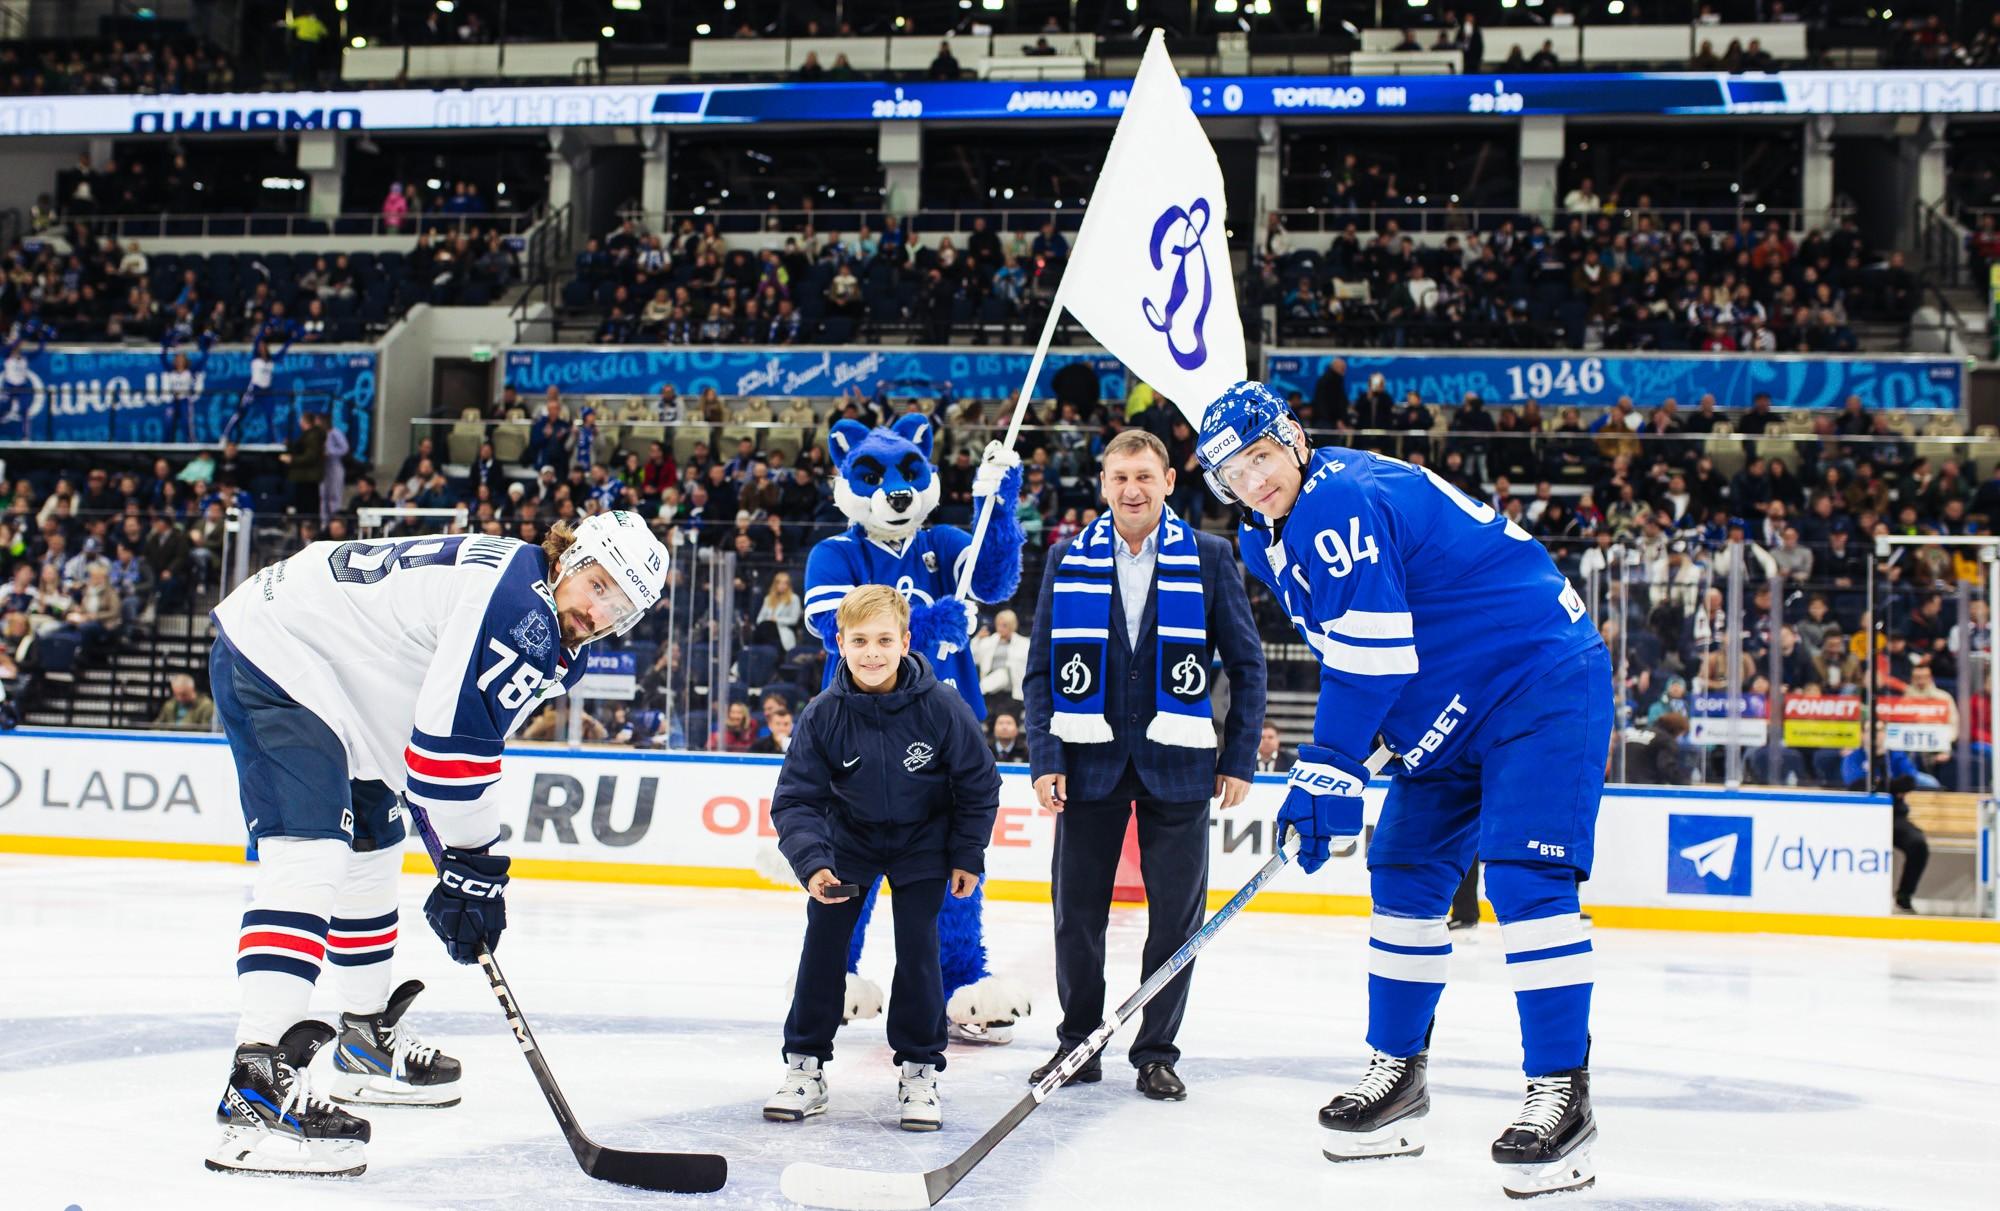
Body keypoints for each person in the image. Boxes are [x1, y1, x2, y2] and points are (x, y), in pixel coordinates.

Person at [1194, 381, 1609, 1199]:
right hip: (1446, 710)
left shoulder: (1339, 498)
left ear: (1294, 439)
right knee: (1405, 874)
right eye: (1233, 471)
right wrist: (1364, 743)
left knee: (1526, 878)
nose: (1253, 478)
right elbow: (1364, 633)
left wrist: (1329, 762)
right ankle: (1400, 1078)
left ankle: (1563, 1091)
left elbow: (1371, 654)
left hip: (1538, 679)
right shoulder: (1262, 537)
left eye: (1262, 455)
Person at [205, 511, 668, 1176]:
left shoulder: (532, 602)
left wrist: (468, 866)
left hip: (346, 687)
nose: (599, 609)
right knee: (309, 856)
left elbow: (443, 739)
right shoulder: (522, 610)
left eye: (618, 604)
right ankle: (253, 1096)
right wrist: (475, 868)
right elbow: (450, 764)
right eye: (597, 584)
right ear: (570, 557)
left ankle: (363, 1040)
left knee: (370, 852)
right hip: (282, 655)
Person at [1023, 429, 1266, 1102]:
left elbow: (1247, 666)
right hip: (1088, 761)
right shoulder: (1068, 557)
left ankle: (1155, 1050)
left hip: (1181, 765)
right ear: (1103, 485)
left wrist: (1239, 755)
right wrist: (1045, 756)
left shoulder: (1212, 558)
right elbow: (1041, 670)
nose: (1132, 488)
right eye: (1119, 476)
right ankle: (1077, 1043)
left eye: (1144, 476)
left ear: (1167, 481)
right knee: (1077, 914)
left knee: (1175, 922)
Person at [764, 586, 999, 1131]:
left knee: (919, 948)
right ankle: (804, 1067)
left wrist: (966, 852)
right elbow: (797, 799)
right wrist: (814, 862)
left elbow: (978, 782)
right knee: (825, 944)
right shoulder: (824, 714)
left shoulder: (942, 705)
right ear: (839, 644)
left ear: (906, 642)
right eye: (861, 641)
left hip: (925, 842)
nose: (873, 653)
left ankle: (919, 1071)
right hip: (849, 839)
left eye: (885, 640)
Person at [1842, 723, 1930, 913]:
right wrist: (1892, 787)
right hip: (1862, 819)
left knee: (1918, 844)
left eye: (1880, 730)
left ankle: (1904, 896)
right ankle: (1855, 896)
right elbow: (1856, 786)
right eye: (1870, 730)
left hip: (1893, 817)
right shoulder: (1854, 758)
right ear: (1862, 734)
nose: (1875, 734)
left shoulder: (1895, 757)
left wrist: (1876, 785)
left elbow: (1909, 781)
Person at [971, 607, 1029, 723]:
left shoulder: (1024, 644)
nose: (1000, 628)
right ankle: (981, 689)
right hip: (991, 693)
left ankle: (981, 689)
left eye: (1004, 625)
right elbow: (973, 657)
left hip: (1012, 692)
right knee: (990, 723)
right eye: (998, 625)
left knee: (1009, 723)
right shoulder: (988, 642)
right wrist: (977, 639)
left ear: (1012, 625)